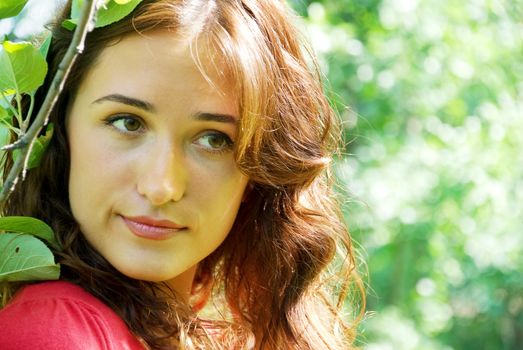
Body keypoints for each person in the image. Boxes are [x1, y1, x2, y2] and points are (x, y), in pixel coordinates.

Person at [0, 0, 363, 349]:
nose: (162, 187)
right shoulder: (53, 330)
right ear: (58, 131)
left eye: (213, 139)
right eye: (128, 122)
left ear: (260, 171)